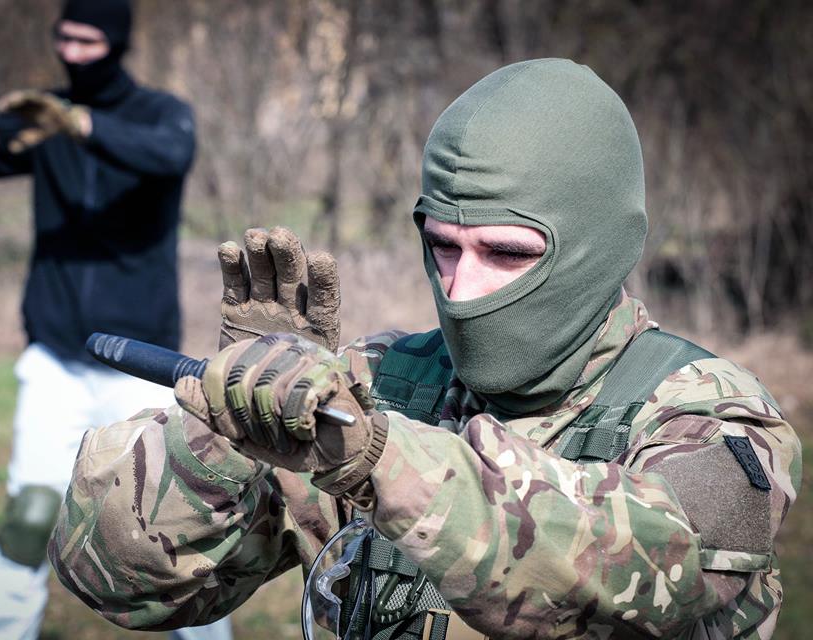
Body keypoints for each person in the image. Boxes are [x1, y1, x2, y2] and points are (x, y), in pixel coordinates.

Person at [48, 59, 800, 639]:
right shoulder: (384, 382)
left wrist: (378, 457)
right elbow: (118, 582)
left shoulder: (714, 418)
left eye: (505, 252)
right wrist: (227, 431)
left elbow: (645, 567)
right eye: (442, 245)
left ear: (600, 250)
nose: (463, 289)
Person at [0, 1, 231, 639]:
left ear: (116, 44)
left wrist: (81, 124)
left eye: (88, 39)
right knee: (31, 513)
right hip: (55, 358)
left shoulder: (159, 114)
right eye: (64, 37)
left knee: (170, 528)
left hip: (139, 364)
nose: (71, 52)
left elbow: (168, 156)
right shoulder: (46, 120)